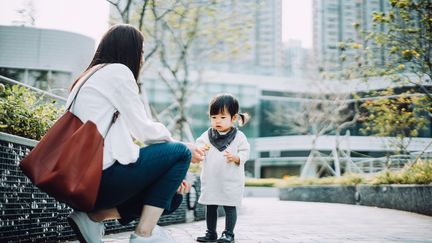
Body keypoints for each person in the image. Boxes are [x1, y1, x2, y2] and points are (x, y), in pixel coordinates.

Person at [65, 24, 204, 243]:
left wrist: (164, 172)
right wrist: (183, 147)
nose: (141, 59)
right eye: (140, 52)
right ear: (128, 50)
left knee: (174, 196)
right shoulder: (117, 72)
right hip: (99, 178)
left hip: (80, 178)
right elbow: (144, 130)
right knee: (179, 153)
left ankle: (92, 218)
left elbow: (122, 140)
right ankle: (144, 235)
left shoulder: (87, 77)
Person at [195, 93, 250, 243]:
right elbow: (198, 145)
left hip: (230, 179)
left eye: (222, 117)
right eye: (214, 117)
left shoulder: (239, 137)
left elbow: (245, 152)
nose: (217, 121)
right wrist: (201, 150)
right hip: (211, 178)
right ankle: (210, 232)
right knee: (211, 206)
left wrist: (237, 158)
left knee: (230, 206)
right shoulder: (207, 135)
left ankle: (228, 234)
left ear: (233, 118)